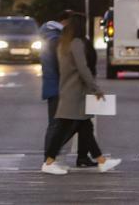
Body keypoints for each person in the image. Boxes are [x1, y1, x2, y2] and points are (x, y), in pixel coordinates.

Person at [41, 14, 120, 175]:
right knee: (64, 128)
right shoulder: (76, 43)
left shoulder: (64, 43)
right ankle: (49, 162)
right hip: (75, 93)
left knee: (85, 127)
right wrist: (95, 88)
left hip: (68, 91)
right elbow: (83, 68)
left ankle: (101, 161)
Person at [40, 11, 95, 167]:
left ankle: (80, 157)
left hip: (57, 87)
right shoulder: (57, 40)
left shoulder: (50, 37)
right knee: (62, 125)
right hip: (62, 88)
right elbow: (64, 67)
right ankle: (50, 156)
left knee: (79, 123)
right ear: (64, 22)